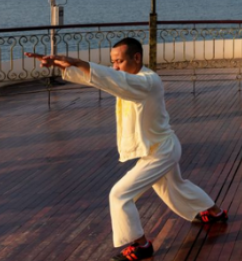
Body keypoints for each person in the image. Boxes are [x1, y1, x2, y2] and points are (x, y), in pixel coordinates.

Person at [26, 38, 226, 261]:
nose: (115, 66)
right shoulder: (130, 81)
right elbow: (103, 80)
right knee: (174, 186)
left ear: (137, 58)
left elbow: (111, 78)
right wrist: (62, 65)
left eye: (119, 61)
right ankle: (215, 213)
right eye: (113, 62)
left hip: (161, 152)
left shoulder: (147, 82)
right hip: (161, 148)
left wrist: (75, 61)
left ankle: (141, 246)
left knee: (120, 195)